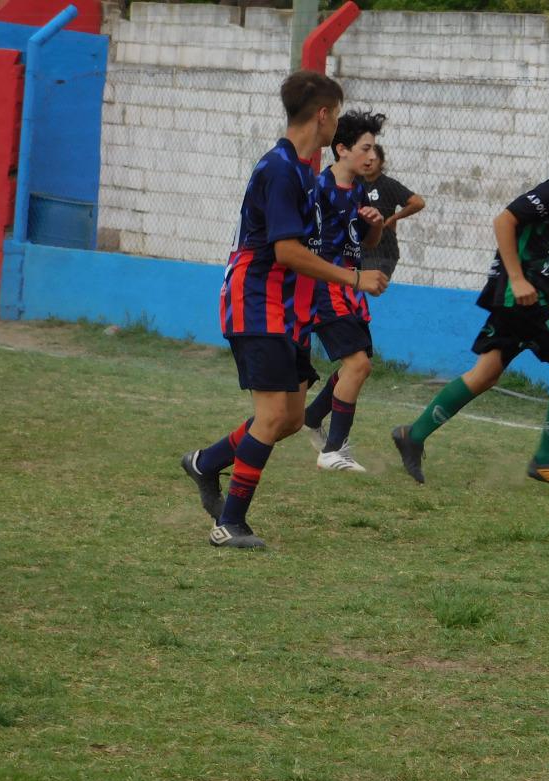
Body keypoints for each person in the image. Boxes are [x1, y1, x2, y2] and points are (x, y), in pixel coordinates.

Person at [180, 72, 388, 549]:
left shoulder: (301, 171)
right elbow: (289, 251)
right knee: (273, 415)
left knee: (291, 418)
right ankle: (229, 523)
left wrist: (366, 229)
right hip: (256, 302)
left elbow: (315, 243)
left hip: (285, 308)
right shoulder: (279, 169)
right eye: (337, 113)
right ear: (323, 114)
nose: (339, 121)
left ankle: (206, 462)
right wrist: (355, 279)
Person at [391, 121, 549, 490]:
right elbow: (504, 220)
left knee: (485, 374)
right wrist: (519, 279)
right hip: (524, 300)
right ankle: (544, 461)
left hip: (520, 299)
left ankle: (414, 434)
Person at [301, 110, 387, 473]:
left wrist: (376, 226)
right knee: (358, 364)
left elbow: (365, 242)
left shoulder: (361, 190)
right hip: (325, 287)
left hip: (350, 288)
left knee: (358, 365)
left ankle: (312, 416)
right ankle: (333, 450)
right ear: (342, 149)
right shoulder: (319, 189)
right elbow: (306, 245)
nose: (372, 156)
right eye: (365, 148)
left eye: (374, 148)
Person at [360, 144, 425, 280]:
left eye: (374, 159)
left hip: (384, 249)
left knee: (373, 286)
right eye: (365, 158)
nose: (368, 162)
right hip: (360, 247)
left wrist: (393, 218)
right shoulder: (355, 182)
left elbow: (418, 202)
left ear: (381, 162)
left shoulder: (388, 184)